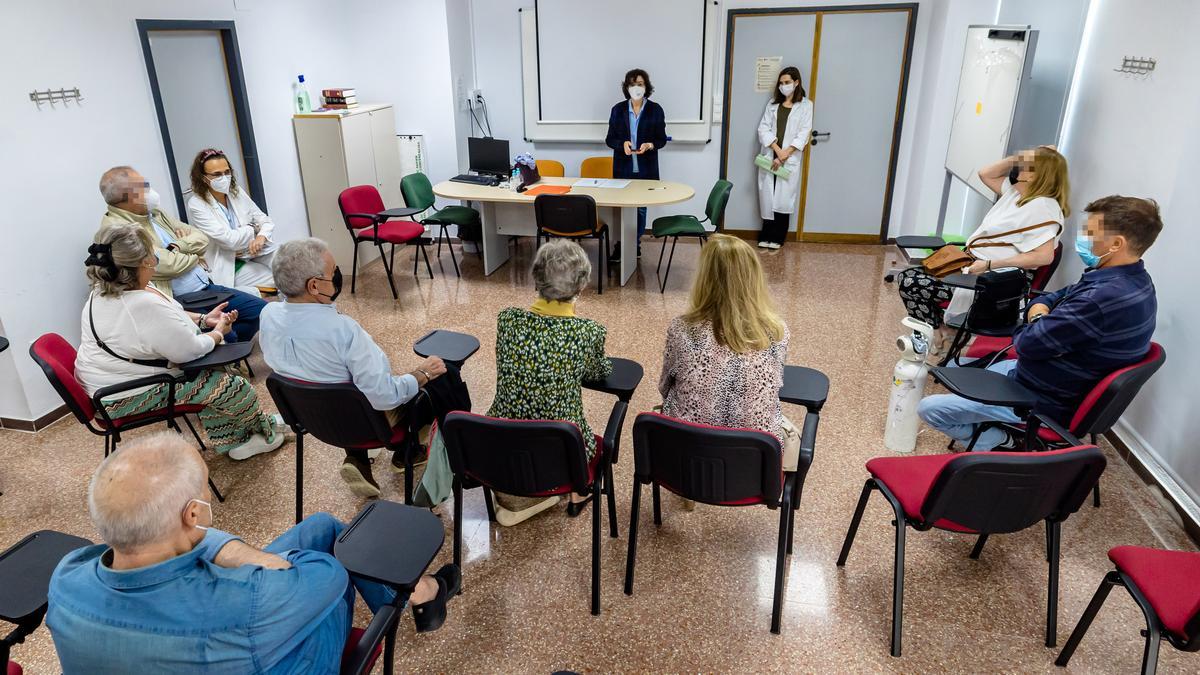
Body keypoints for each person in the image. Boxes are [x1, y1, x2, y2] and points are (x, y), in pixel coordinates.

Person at [47, 433, 459, 673]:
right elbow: (329, 575)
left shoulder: (66, 578)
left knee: (322, 527)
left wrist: (223, 547)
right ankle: (416, 596)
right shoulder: (251, 602)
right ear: (193, 514)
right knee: (341, 551)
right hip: (273, 652)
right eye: (206, 488)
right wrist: (252, 558)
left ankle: (421, 594)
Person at [919, 195, 1161, 450]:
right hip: (1052, 377)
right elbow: (1057, 296)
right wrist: (1041, 313)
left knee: (930, 408)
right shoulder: (1134, 281)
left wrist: (1036, 314)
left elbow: (1025, 343)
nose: (1083, 238)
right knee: (962, 371)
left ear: (1116, 244)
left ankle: (1002, 441)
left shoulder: (1100, 299)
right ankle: (991, 423)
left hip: (1041, 399)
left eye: (1090, 232)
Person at [258, 238, 471, 498]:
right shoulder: (343, 330)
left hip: (313, 420)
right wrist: (422, 373)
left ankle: (358, 457)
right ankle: (417, 451)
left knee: (340, 384)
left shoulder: (268, 316)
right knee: (443, 375)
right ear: (314, 285)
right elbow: (385, 396)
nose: (337, 276)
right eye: (332, 272)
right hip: (366, 423)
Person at [75, 224, 285, 460]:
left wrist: (204, 319)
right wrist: (217, 332)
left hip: (110, 385)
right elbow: (189, 351)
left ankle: (237, 438)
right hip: (121, 398)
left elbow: (167, 318)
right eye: (153, 254)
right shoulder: (140, 303)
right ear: (144, 262)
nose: (156, 259)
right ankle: (253, 434)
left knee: (215, 370)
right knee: (231, 386)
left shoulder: (103, 292)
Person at [659, 234, 799, 507]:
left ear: (704, 280)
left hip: (686, 460)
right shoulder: (777, 332)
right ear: (754, 278)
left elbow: (665, 385)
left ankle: (690, 496)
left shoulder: (681, 329)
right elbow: (775, 384)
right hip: (754, 467)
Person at [485, 239, 613, 525]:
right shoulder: (588, 331)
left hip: (499, 439)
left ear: (536, 279)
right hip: (562, 448)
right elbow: (597, 372)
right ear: (581, 287)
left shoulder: (507, 320)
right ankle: (577, 493)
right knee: (588, 440)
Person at [897, 146, 1069, 353]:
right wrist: (1020, 157)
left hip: (998, 280)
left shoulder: (1044, 207)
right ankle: (943, 331)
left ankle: (938, 335)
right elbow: (985, 173)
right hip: (976, 266)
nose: (1018, 168)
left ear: (1036, 175)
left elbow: (1043, 257)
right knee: (910, 278)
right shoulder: (1016, 194)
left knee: (911, 282)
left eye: (1025, 166)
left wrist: (989, 264)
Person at [99, 165, 266, 343]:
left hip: (205, 287)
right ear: (128, 196)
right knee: (225, 333)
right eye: (144, 186)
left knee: (261, 311)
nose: (150, 190)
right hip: (178, 299)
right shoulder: (117, 229)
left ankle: (223, 348)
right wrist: (194, 256)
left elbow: (201, 239)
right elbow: (165, 264)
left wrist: (177, 246)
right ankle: (219, 348)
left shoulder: (155, 213)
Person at [185, 148, 278, 293]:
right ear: (203, 178)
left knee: (292, 267)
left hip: (255, 251)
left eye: (227, 172)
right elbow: (229, 241)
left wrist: (261, 236)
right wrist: (253, 229)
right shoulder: (197, 204)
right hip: (230, 262)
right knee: (277, 279)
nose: (224, 177)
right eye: (217, 174)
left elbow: (265, 220)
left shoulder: (236, 191)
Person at [605, 68, 668, 262]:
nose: (636, 88)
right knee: (622, 208)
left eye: (640, 84)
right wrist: (621, 144)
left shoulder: (656, 109)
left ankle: (635, 244)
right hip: (623, 169)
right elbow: (609, 139)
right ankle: (620, 244)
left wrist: (650, 145)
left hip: (646, 169)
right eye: (632, 84)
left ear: (646, 87)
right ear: (626, 87)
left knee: (640, 209)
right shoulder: (618, 109)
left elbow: (661, 139)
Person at [756, 66, 813, 250]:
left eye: (787, 82)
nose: (783, 86)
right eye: (781, 83)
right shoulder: (773, 104)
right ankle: (766, 235)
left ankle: (778, 237)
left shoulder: (806, 105)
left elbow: (803, 134)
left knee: (783, 198)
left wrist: (783, 155)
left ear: (796, 83)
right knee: (768, 196)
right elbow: (762, 129)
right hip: (769, 157)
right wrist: (776, 150)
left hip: (788, 158)